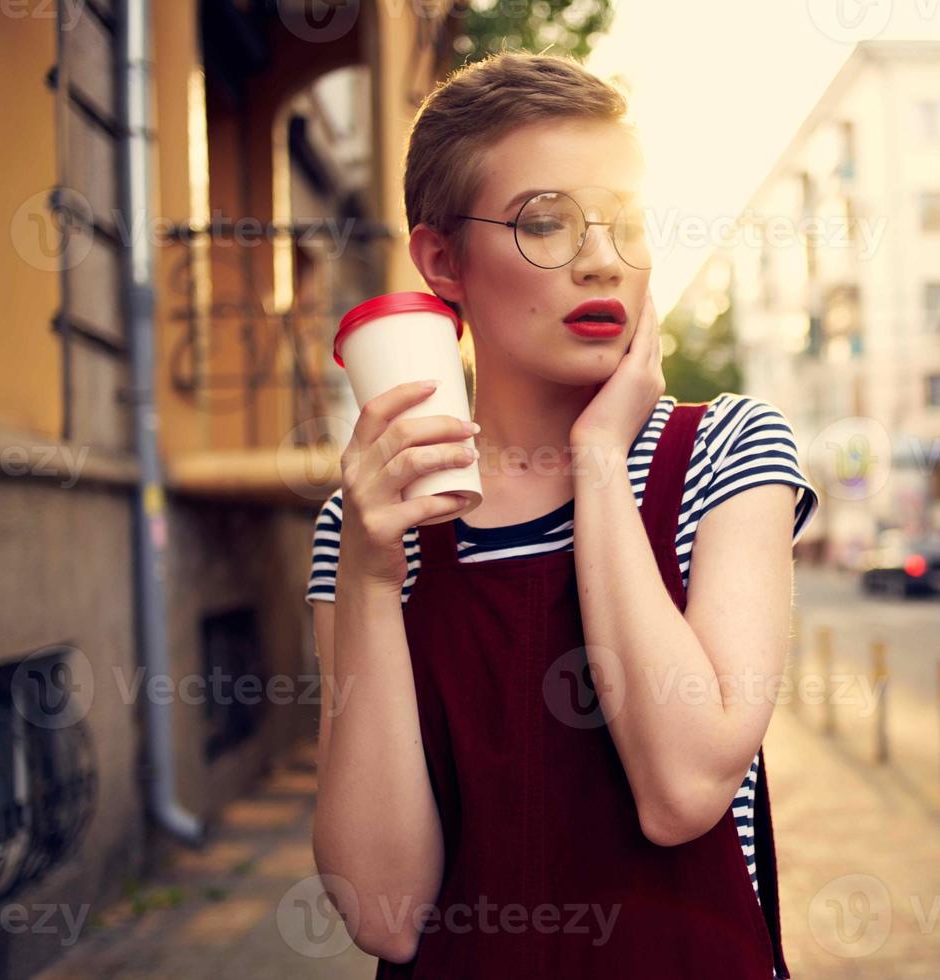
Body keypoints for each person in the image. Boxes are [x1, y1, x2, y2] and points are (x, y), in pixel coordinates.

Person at [306, 53, 817, 979]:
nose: (600, 259)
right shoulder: (371, 526)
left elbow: (682, 789)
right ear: (441, 261)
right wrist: (372, 580)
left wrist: (598, 461)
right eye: (545, 221)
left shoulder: (728, 451)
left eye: (625, 222)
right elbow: (384, 913)